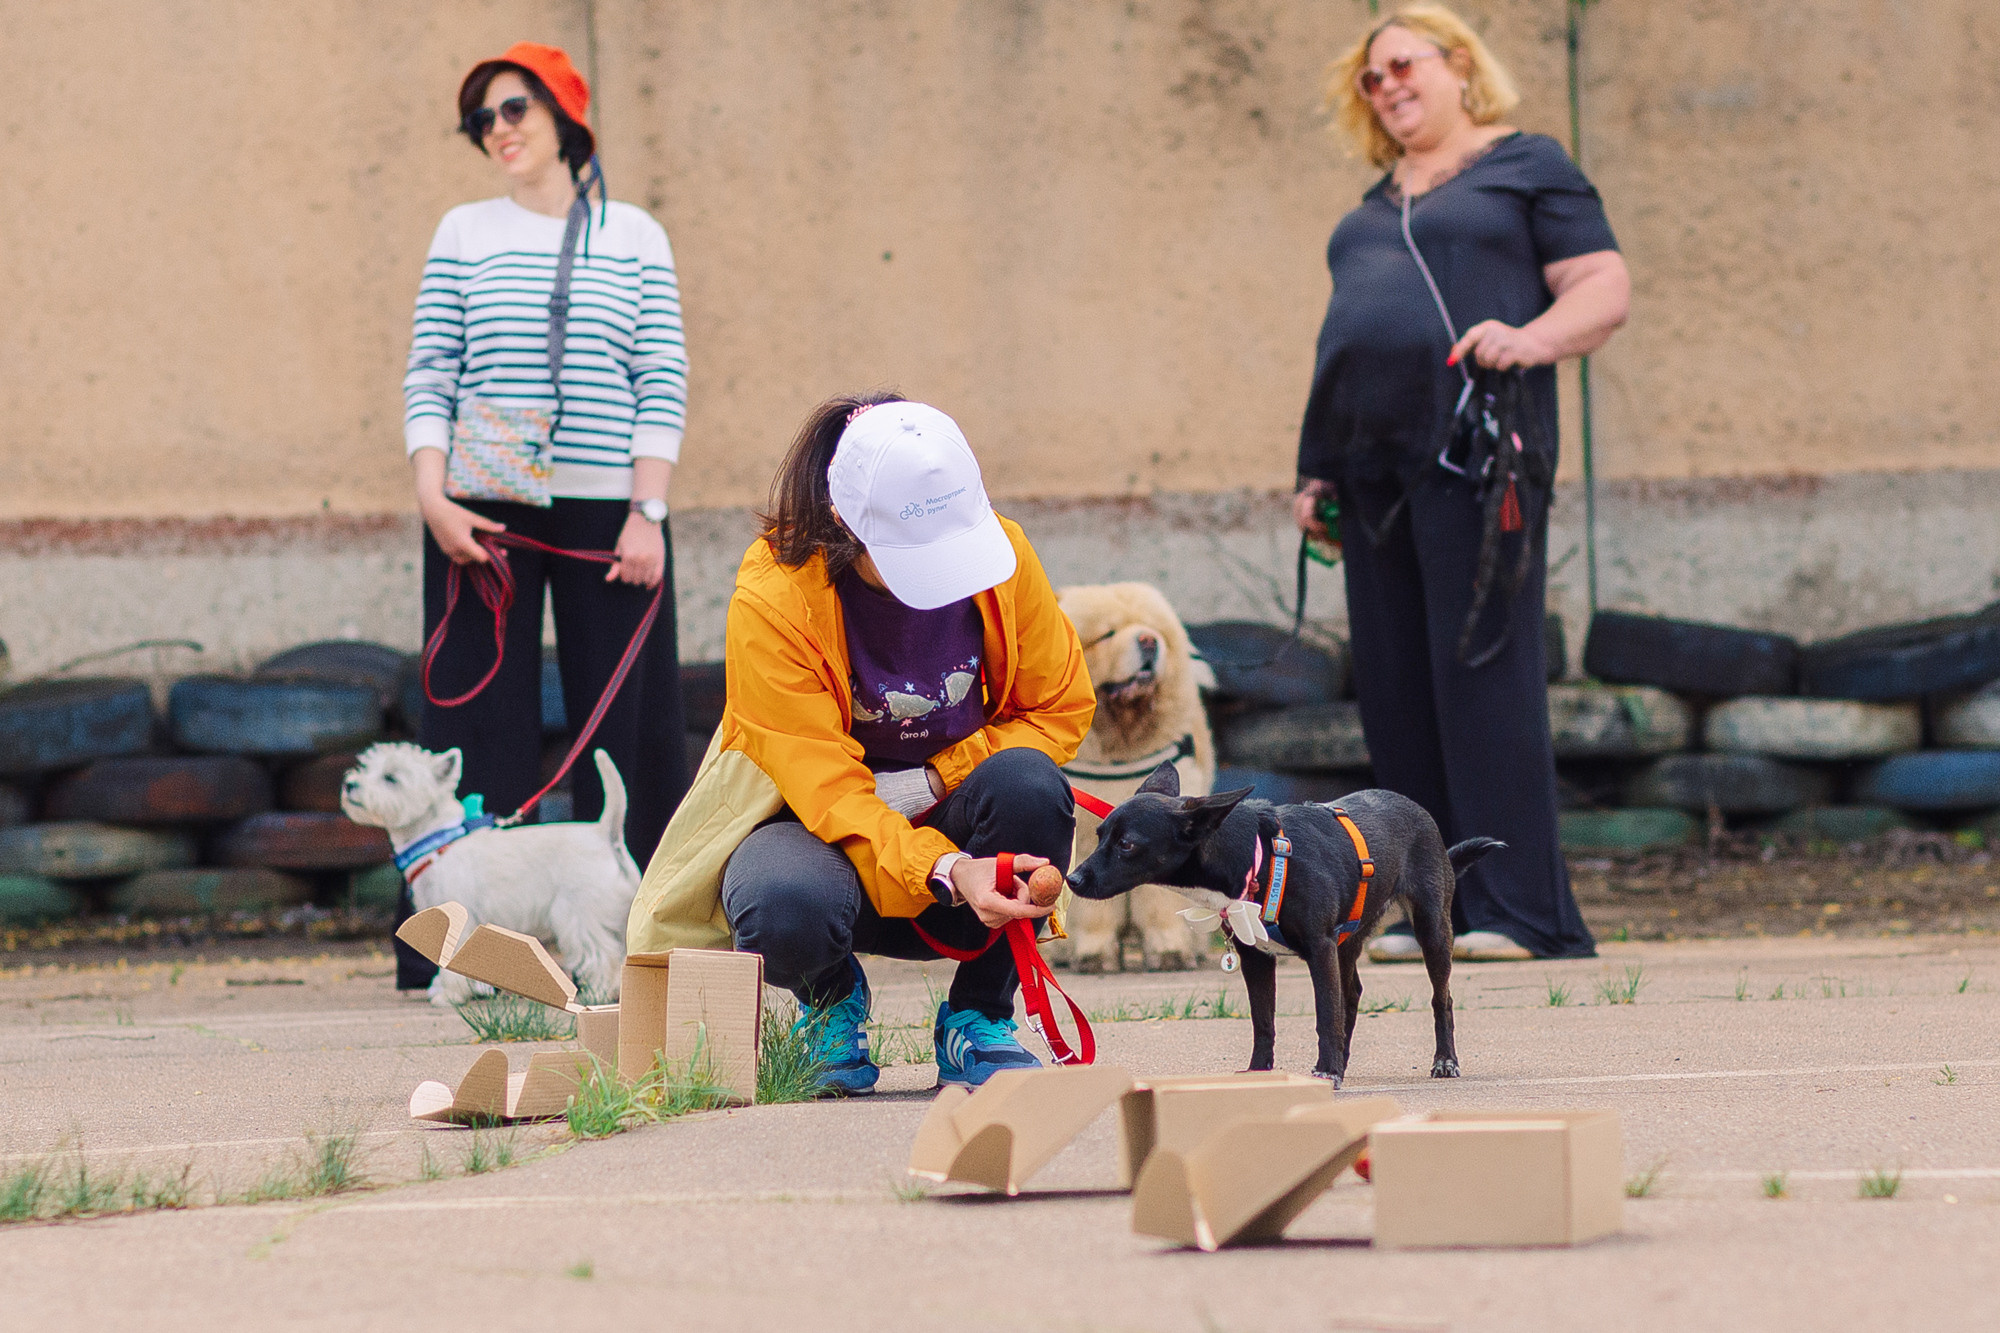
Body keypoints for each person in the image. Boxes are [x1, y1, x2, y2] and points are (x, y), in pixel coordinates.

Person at [625, 392, 1095, 1093]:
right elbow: (831, 793)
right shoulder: (774, 597)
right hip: (819, 834)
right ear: (843, 522)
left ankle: (980, 1016)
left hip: (955, 830)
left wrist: (936, 781)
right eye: (912, 560)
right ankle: (829, 1000)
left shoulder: (1006, 555)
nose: (937, 584)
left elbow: (1059, 706)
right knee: (781, 901)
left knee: (1031, 786)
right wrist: (945, 870)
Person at [1294, 4, 1629, 962]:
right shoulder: (1371, 207)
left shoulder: (1527, 167)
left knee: (1480, 675)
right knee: (1396, 687)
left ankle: (1522, 912)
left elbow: (1603, 286)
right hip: (1370, 470)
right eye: (1370, 77)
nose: (1387, 84)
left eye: (1404, 64)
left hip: (1483, 458)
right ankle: (1431, 908)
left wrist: (1529, 340)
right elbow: (1346, 340)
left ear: (1457, 66)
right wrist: (1317, 464)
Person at [397, 42, 691, 991]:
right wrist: (432, 496)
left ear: (565, 112)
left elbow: (661, 377)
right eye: (481, 119)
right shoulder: (463, 229)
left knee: (629, 726)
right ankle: (471, 954)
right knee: (482, 718)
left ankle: (642, 933)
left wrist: (649, 509)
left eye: (514, 108)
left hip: (613, 512)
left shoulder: (635, 234)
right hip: (479, 508)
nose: (499, 131)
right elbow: (432, 368)